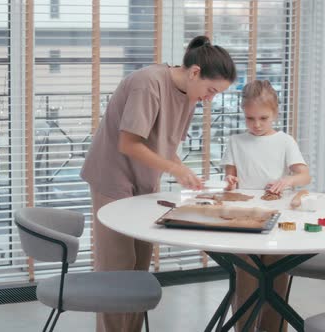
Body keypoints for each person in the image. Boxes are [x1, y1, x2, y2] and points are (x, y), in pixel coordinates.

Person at [80, 35, 237, 332]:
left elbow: (164, 142)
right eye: (211, 90)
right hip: (112, 178)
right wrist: (174, 170)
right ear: (194, 73)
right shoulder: (148, 83)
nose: (210, 98)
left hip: (144, 182)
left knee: (140, 266)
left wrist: (183, 170)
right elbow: (129, 143)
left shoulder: (190, 96)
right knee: (117, 268)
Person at [220, 80, 311, 332]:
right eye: (250, 118)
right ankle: (244, 327)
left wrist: (287, 180)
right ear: (243, 113)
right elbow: (230, 180)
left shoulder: (285, 141)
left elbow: (304, 176)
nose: (257, 125)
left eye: (263, 118)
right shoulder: (236, 142)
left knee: (277, 280)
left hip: (277, 219)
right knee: (245, 279)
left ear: (275, 114)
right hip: (244, 219)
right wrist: (229, 182)